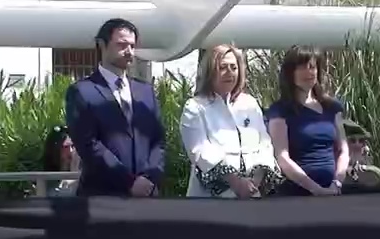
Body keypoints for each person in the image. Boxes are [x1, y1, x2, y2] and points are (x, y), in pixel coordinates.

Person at [65, 18, 165, 198]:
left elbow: (158, 141)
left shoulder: (146, 92)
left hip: (146, 196)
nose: (129, 52)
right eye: (121, 45)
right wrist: (129, 182)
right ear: (102, 45)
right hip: (103, 197)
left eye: (132, 46)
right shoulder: (81, 92)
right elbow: (89, 146)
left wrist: (149, 178)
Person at [179, 44, 279, 198]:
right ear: (210, 71)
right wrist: (236, 182)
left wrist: (255, 181)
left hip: (253, 194)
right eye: (223, 67)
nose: (229, 73)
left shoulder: (250, 103)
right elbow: (199, 151)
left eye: (234, 67)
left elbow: (264, 143)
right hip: (211, 199)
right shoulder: (194, 107)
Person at [266, 46, 349, 197]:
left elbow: (343, 150)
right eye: (302, 67)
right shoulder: (280, 110)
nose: (309, 72)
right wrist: (315, 189)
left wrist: (336, 183)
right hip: (298, 193)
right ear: (290, 73)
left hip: (334, 190)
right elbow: (282, 157)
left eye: (312, 67)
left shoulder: (331, 107)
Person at [342, 120, 380, 190]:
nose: (357, 145)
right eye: (352, 141)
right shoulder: (331, 173)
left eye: (361, 141)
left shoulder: (371, 175)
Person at [42, 126, 79, 197]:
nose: (70, 151)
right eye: (66, 147)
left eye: (72, 146)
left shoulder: (78, 168)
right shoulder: (46, 180)